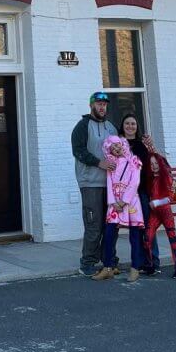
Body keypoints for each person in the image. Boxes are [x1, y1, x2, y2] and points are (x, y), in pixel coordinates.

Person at [71, 91, 117, 277]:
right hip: (90, 183)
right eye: (98, 104)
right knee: (94, 224)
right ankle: (87, 263)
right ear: (91, 105)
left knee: (110, 225)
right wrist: (99, 163)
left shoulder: (111, 127)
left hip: (110, 184)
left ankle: (109, 260)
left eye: (104, 104)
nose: (102, 107)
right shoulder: (82, 126)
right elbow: (78, 151)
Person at [93, 136, 145, 282]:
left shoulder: (134, 160)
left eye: (118, 145)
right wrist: (113, 202)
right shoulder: (111, 164)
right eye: (113, 147)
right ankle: (107, 267)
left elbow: (135, 182)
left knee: (134, 235)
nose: (116, 148)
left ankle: (135, 268)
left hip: (130, 202)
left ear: (123, 145)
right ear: (109, 150)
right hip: (115, 203)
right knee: (109, 233)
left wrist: (123, 201)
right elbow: (109, 183)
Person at [117, 113, 160, 276]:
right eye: (127, 123)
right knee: (135, 229)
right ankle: (140, 262)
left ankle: (153, 261)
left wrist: (151, 146)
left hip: (141, 191)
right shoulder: (118, 144)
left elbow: (154, 163)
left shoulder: (143, 145)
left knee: (148, 226)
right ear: (123, 126)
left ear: (137, 127)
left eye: (133, 124)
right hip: (125, 193)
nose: (130, 126)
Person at [145, 151, 176, 279]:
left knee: (172, 238)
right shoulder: (151, 179)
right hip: (155, 213)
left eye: (156, 163)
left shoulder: (166, 177)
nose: (154, 166)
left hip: (165, 212)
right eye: (151, 164)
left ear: (160, 164)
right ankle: (151, 266)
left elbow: (170, 198)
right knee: (147, 238)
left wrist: (156, 202)